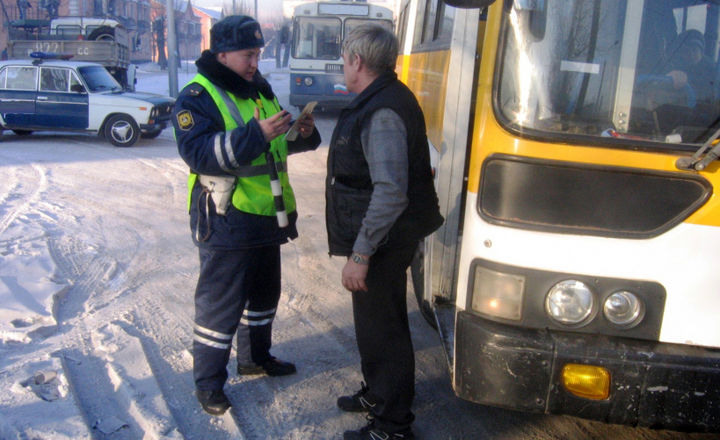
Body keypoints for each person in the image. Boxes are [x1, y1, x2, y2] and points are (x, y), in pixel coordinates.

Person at [172, 15, 321, 416]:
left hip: (264, 216)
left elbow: (271, 150)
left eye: (257, 54)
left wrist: (299, 135)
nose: (255, 62)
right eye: (247, 55)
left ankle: (256, 357)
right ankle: (208, 384)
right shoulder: (196, 97)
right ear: (221, 54)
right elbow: (199, 153)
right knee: (220, 307)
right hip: (224, 218)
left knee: (263, 296)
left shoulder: (257, 88)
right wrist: (258, 134)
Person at [325, 25, 443, 440]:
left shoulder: (383, 111)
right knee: (374, 324)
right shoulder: (382, 98)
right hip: (383, 237)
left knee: (385, 331)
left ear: (357, 61)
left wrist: (361, 253)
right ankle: (378, 394)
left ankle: (393, 426)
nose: (344, 66)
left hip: (384, 240)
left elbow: (391, 193)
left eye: (344, 59)